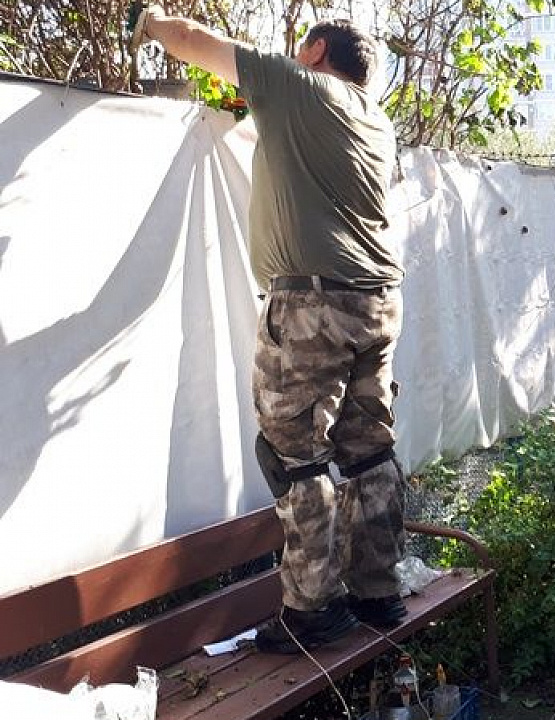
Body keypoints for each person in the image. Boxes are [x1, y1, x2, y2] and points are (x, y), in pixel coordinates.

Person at [133, 7, 409, 653]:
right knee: (369, 447)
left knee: (294, 453)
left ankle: (314, 609)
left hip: (312, 302)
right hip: (378, 301)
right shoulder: (373, 119)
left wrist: (149, 19)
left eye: (298, 48)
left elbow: (192, 42)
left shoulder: (299, 84)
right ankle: (380, 592)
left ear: (314, 52)